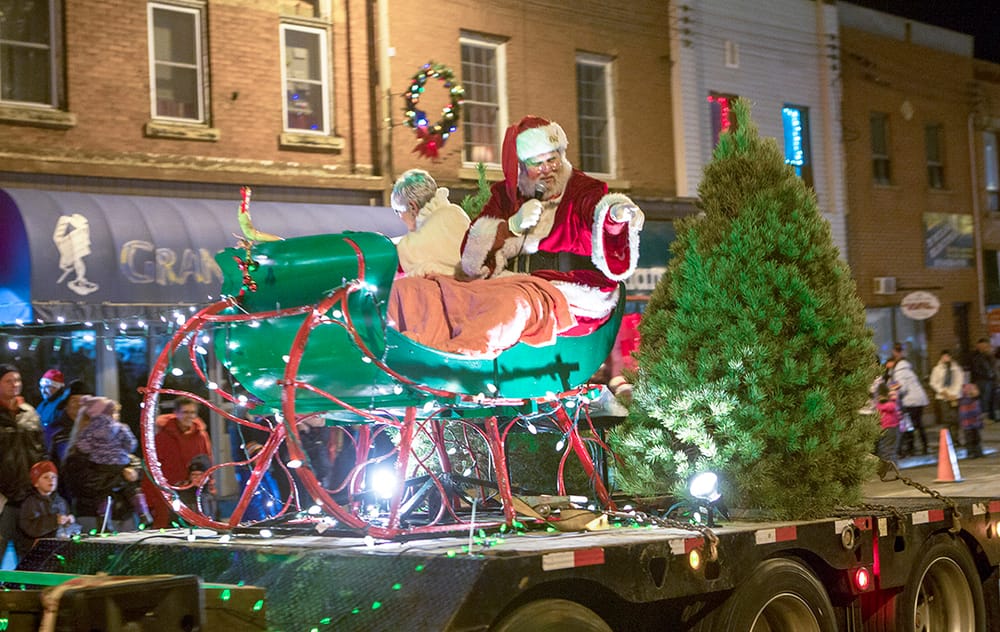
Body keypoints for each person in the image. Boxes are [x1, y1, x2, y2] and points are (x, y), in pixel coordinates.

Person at [459, 115, 644, 332]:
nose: (548, 169)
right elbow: (470, 254)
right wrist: (512, 225)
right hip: (513, 287)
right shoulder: (506, 196)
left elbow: (597, 212)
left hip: (571, 295)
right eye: (537, 163)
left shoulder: (581, 190)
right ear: (521, 166)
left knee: (510, 309)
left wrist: (615, 215)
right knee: (457, 300)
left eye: (552, 159)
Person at [71, 396, 153, 527]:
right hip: (88, 514)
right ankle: (143, 513)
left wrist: (134, 470)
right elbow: (131, 444)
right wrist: (121, 467)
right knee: (132, 490)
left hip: (121, 511)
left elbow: (83, 446)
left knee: (104, 494)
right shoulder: (120, 428)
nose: (116, 416)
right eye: (114, 412)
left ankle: (104, 521)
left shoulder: (89, 432)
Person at [141, 397, 214, 528]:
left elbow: (207, 461)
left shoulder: (201, 435)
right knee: (165, 527)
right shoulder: (162, 435)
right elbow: (152, 464)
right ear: (176, 412)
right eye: (185, 412)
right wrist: (150, 493)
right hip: (168, 489)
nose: (189, 416)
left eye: (192, 412)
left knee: (194, 527)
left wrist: (209, 485)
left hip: (192, 490)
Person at [0, 364, 46, 562]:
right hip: (3, 498)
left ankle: (26, 593)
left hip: (28, 496)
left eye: (17, 380)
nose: (14, 385)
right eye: (8, 381)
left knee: (30, 556)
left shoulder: (30, 413)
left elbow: (42, 450)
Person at [391, 169, 470, 277]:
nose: (400, 217)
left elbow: (397, 254)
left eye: (398, 211)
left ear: (412, 207)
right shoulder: (456, 212)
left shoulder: (440, 221)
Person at [18, 461, 78, 544]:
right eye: (46, 477)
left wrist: (69, 522)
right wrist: (54, 521)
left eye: (54, 477)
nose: (51, 480)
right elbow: (29, 528)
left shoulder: (61, 501)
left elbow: (66, 529)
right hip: (37, 548)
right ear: (36, 483)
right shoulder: (31, 502)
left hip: (58, 546)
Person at [890, 343, 930, 456]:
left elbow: (902, 387)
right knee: (918, 424)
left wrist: (893, 392)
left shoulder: (899, 371)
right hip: (919, 399)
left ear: (895, 352)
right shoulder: (907, 368)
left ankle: (910, 448)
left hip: (911, 401)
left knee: (909, 425)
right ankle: (924, 446)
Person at [928, 350, 964, 443]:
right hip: (942, 397)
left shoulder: (956, 368)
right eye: (944, 356)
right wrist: (942, 392)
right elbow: (933, 382)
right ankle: (949, 439)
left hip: (955, 396)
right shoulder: (937, 369)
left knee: (955, 418)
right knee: (946, 419)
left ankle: (956, 438)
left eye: (947, 356)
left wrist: (954, 394)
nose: (945, 358)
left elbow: (960, 382)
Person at [176, 454, 217, 520]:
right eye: (194, 475)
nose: (197, 478)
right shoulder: (182, 493)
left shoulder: (212, 493)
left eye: (201, 474)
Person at [35, 369, 70, 437]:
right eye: (41, 387)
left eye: (47, 387)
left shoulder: (63, 404)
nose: (43, 391)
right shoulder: (43, 404)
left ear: (57, 387)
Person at [874, 383, 902, 465]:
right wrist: (893, 398)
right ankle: (888, 465)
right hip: (890, 426)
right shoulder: (889, 404)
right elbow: (892, 407)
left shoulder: (878, 404)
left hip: (884, 426)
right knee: (889, 446)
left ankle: (886, 463)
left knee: (885, 446)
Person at [970, 338, 996, 422]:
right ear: (979, 346)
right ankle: (984, 417)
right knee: (984, 399)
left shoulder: (988, 355)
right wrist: (988, 375)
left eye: (986, 346)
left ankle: (990, 416)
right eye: (984, 346)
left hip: (990, 379)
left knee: (990, 398)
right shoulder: (976, 356)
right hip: (982, 380)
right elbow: (977, 369)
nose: (986, 347)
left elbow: (992, 366)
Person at [958, 383, 984, 459]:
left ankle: (978, 452)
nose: (977, 391)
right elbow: (964, 414)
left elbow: (978, 412)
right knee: (970, 439)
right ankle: (971, 453)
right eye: (975, 390)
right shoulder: (965, 402)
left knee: (977, 438)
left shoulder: (975, 400)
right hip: (968, 425)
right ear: (969, 392)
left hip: (975, 424)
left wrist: (980, 422)